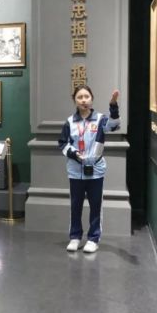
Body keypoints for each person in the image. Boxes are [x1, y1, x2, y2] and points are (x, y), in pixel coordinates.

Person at [58, 85, 120, 254]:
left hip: (95, 170)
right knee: (75, 205)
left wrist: (113, 105)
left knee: (95, 206)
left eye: (86, 96)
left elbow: (114, 126)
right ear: (75, 101)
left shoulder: (100, 119)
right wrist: (74, 154)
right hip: (75, 170)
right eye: (80, 97)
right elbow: (63, 143)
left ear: (92, 98)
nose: (84, 100)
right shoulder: (70, 122)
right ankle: (75, 237)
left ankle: (93, 239)